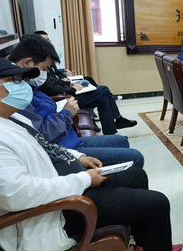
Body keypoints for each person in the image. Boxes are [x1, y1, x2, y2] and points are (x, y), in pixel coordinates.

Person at [0, 56, 183, 251]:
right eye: (13, 80)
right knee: (157, 203)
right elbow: (18, 195)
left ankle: (147, 246)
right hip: (47, 215)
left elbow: (43, 145)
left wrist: (77, 156)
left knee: (135, 175)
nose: (22, 86)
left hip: (58, 190)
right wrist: (84, 180)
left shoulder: (4, 115)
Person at [8, 35, 145, 167]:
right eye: (44, 69)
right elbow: (41, 137)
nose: (44, 73)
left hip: (67, 138)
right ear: (28, 62)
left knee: (121, 141)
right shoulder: (17, 94)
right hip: (63, 148)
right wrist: (66, 113)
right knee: (135, 157)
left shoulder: (26, 84)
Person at [31, 33, 137, 135]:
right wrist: (72, 88)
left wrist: (69, 83)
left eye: (48, 40)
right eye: (44, 40)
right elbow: (50, 88)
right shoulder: (36, 67)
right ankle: (118, 118)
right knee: (104, 90)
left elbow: (54, 79)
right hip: (64, 98)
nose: (47, 42)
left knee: (104, 99)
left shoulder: (44, 59)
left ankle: (110, 134)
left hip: (65, 93)